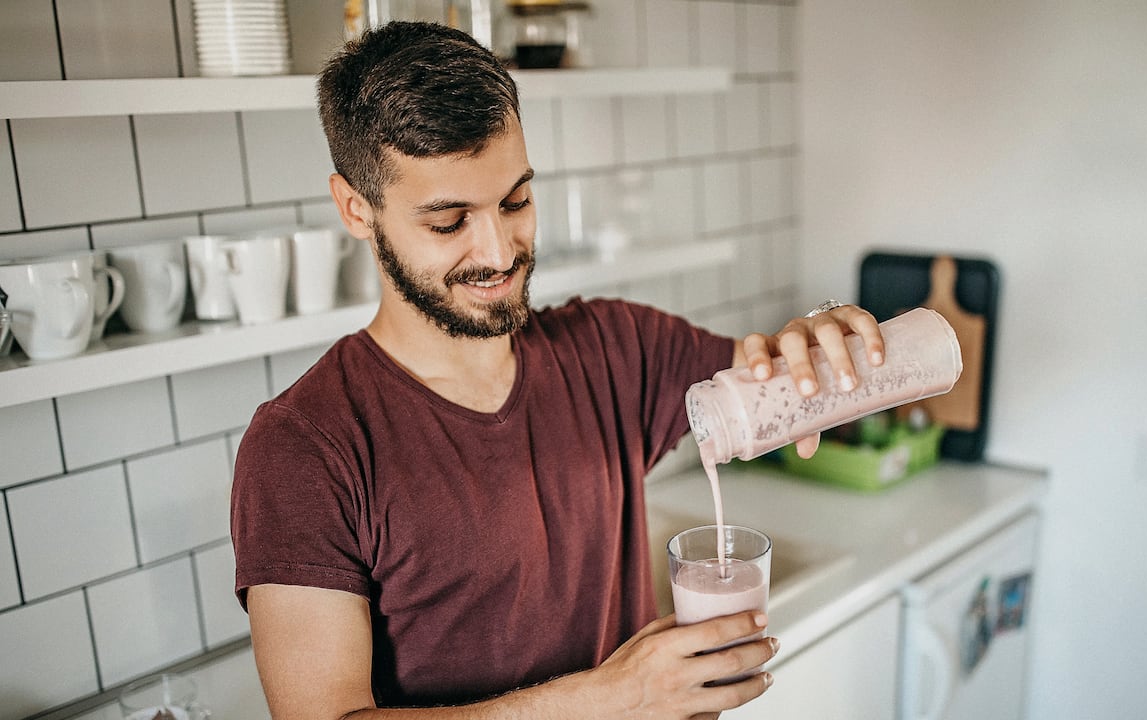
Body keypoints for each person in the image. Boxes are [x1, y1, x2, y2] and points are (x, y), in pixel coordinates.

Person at [230, 21, 885, 720]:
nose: (499, 251)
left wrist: (820, 344)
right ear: (357, 209)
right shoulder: (304, 448)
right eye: (449, 222)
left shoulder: (616, 349)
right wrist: (615, 698)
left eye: (515, 201)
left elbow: (793, 383)